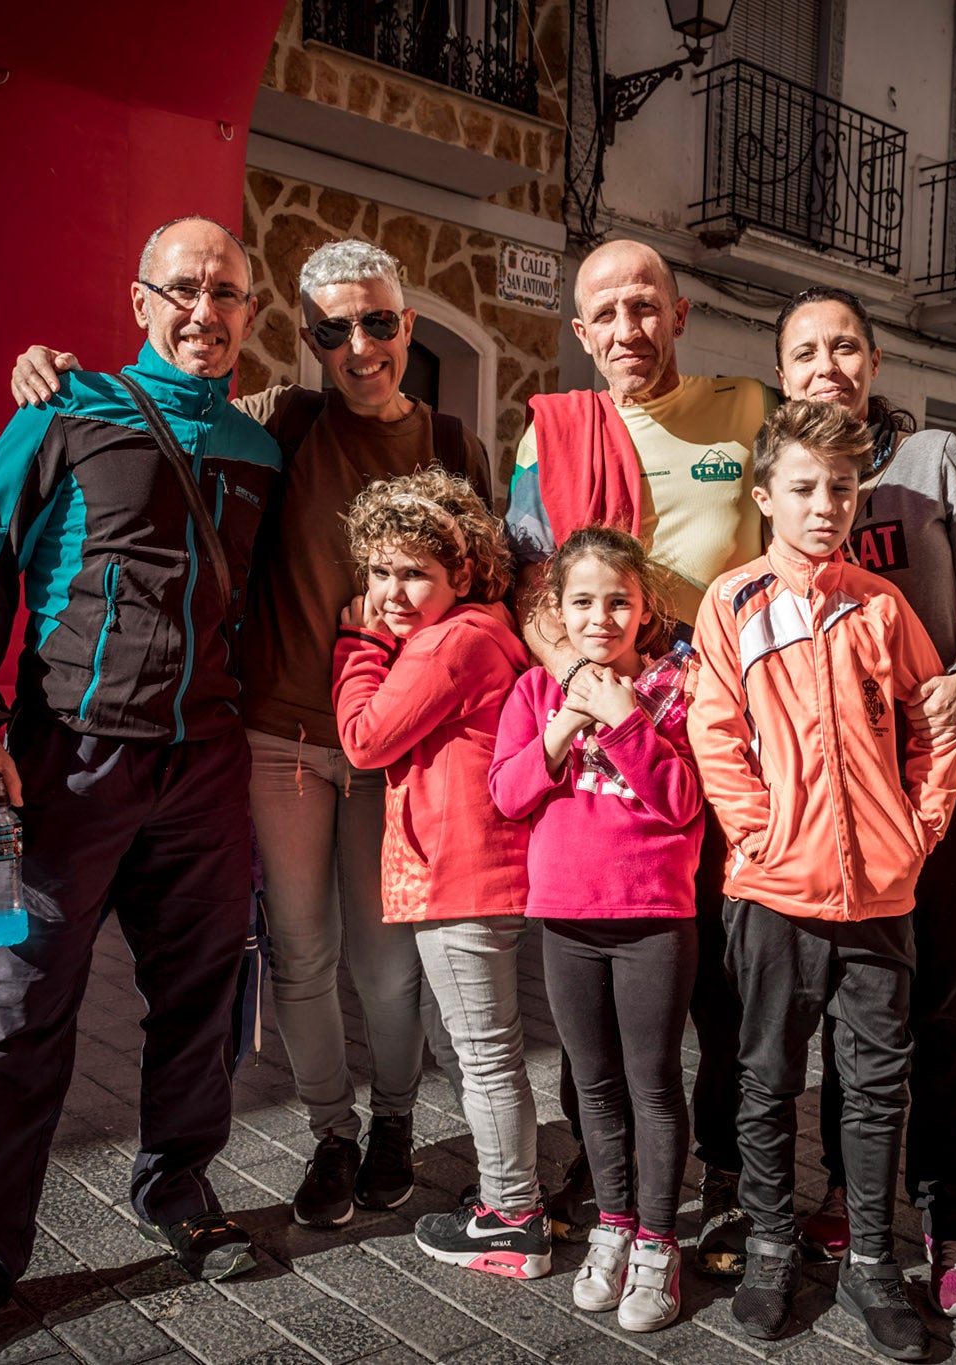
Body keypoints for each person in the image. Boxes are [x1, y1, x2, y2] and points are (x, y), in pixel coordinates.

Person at [10, 239, 497, 1229]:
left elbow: (481, 590)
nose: (357, 346)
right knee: (299, 950)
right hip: (280, 734)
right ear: (308, 340)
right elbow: (174, 429)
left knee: (384, 958)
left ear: (407, 324)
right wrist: (51, 372)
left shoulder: (453, 444)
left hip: (396, 744)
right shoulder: (283, 418)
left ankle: (396, 1121)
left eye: (376, 323)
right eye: (331, 330)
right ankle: (333, 1133)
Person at [0, 218, 280, 1365]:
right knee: (4, 1015)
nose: (207, 312)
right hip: (55, 773)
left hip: (203, 774)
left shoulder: (261, 449)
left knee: (203, 1003)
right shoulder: (59, 410)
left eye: (228, 295)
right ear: (142, 299)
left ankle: (179, 1191)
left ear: (250, 314)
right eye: (186, 290)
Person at [504, 238, 771, 1272]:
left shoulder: (745, 409)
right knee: (599, 967)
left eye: (643, 307)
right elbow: (531, 583)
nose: (626, 330)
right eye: (604, 314)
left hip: (726, 730)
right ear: (579, 332)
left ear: (680, 312)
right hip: (614, 733)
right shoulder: (553, 432)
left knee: (726, 982)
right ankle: (601, 1170)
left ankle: (723, 1183)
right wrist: (581, 685)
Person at [689, 400, 956, 1362]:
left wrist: (916, 830)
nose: (824, 505)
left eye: (841, 488)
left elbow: (935, 722)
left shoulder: (882, 606)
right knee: (766, 1075)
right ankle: (769, 1248)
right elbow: (715, 734)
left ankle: (874, 1265)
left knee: (876, 1084)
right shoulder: (732, 602)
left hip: (881, 898)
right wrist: (759, 836)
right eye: (803, 488)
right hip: (773, 896)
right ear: (765, 496)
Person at [771, 288, 956, 1317]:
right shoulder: (783, 478)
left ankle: (950, 1215)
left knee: (951, 1012)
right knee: (857, 1011)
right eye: (804, 350)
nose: (825, 362)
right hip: (843, 801)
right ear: (781, 372)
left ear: (873, 362)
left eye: (844, 345)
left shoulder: (934, 466)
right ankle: (847, 1189)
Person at [331, 470, 546, 1278]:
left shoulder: (451, 641)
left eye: (414, 571)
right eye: (379, 571)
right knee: (477, 1046)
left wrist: (358, 648)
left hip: (462, 875)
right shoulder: (467, 634)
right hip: (466, 872)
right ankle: (509, 1193)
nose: (390, 590)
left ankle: (513, 1220)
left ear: (463, 573)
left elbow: (364, 738)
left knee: (484, 1051)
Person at [488, 527, 703, 1332]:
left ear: (644, 608)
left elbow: (682, 801)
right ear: (557, 610)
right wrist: (563, 726)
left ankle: (658, 1240)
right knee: (595, 1084)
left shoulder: (671, 690)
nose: (601, 616)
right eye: (582, 601)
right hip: (568, 920)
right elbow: (507, 793)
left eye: (619, 600)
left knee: (652, 1084)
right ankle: (612, 1225)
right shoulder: (534, 693)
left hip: (653, 921)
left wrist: (620, 719)